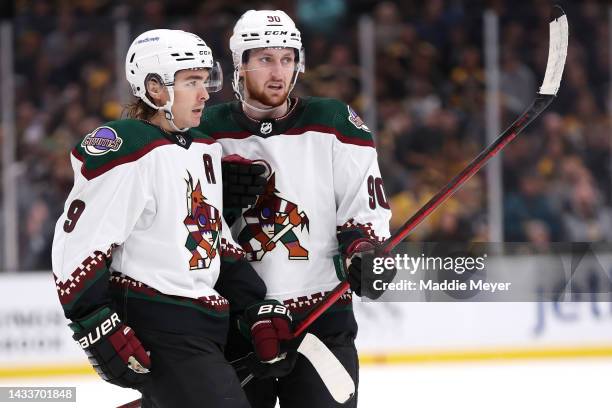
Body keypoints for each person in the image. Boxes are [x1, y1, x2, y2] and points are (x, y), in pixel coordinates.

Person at [51, 29, 291, 408]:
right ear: (155, 89)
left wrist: (252, 305)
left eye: (205, 79)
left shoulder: (202, 148)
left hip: (207, 321)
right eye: (191, 82)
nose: (205, 93)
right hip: (162, 324)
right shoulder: (126, 146)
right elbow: (80, 241)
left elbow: (215, 241)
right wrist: (92, 319)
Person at [197, 10, 393, 408]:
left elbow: (364, 209)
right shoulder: (204, 130)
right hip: (235, 323)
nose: (278, 72)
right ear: (240, 65)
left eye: (287, 59)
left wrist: (365, 251)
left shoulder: (335, 122)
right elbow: (182, 222)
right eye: (265, 59)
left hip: (319, 316)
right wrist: (218, 200)